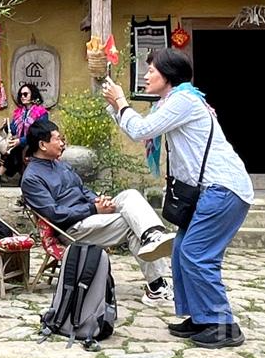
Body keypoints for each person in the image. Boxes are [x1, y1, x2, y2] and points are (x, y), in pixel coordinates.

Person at [103, 48, 254, 349]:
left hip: (223, 188)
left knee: (198, 254)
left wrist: (120, 101)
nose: (145, 75)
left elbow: (141, 129)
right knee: (182, 251)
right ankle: (201, 317)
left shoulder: (184, 100)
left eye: (151, 70)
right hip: (211, 190)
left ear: (168, 75)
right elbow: (138, 127)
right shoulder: (169, 103)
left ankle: (223, 324)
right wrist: (113, 103)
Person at [20, 118, 176, 306]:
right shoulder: (32, 178)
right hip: (72, 229)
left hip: (90, 216)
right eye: (58, 139)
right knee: (130, 224)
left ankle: (152, 235)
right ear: (43, 145)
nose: (63, 143)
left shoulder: (59, 164)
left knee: (130, 196)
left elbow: (81, 189)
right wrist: (93, 208)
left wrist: (98, 200)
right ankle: (157, 285)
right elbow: (55, 214)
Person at [0, 82, 48, 188]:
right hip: (19, 144)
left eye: (25, 94)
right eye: (21, 95)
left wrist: (21, 141)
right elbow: (13, 129)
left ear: (33, 95)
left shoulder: (41, 113)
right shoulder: (19, 112)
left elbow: (40, 133)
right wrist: (6, 126)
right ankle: (0, 176)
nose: (22, 97)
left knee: (16, 149)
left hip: (35, 144)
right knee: (13, 148)